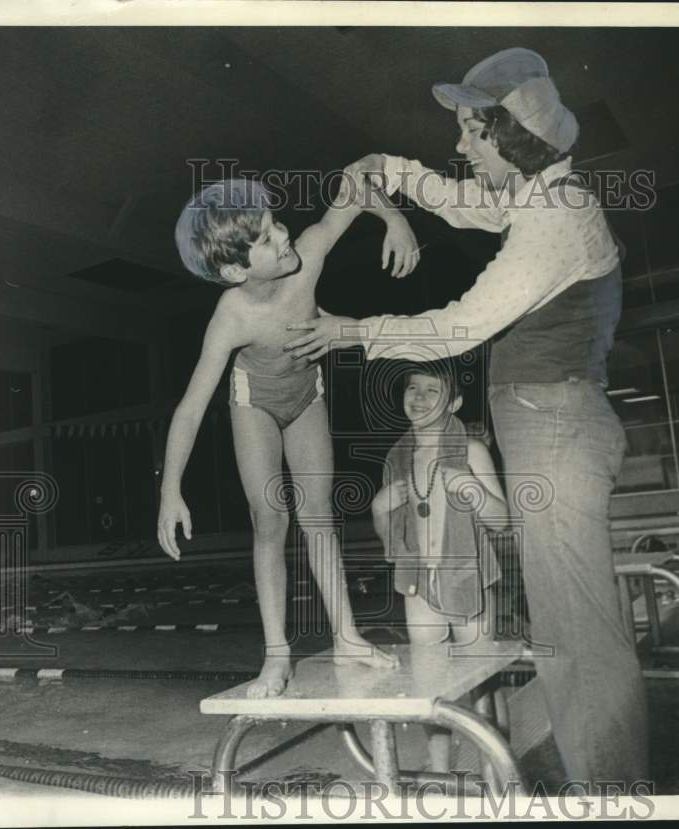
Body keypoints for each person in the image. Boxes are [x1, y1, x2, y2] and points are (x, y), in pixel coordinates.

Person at [285, 47, 649, 785]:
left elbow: (459, 327)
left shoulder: (556, 217)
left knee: (577, 634)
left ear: (505, 136)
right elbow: (461, 202)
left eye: (468, 133)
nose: (458, 147)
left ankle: (612, 795)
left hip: (558, 429)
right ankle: (602, 780)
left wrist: (351, 330)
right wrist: (388, 169)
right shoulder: (538, 196)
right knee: (565, 627)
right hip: (553, 425)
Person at [158, 172, 415, 697]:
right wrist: (169, 491)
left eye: (277, 223)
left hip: (306, 395)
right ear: (234, 269)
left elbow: (354, 187)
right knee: (270, 518)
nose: (285, 236)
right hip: (255, 402)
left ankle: (347, 636)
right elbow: (190, 408)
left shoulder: (308, 258)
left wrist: (394, 218)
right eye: (269, 239)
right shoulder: (231, 316)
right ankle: (276, 656)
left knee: (319, 515)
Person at [372, 360, 507, 772]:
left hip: (469, 575)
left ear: (455, 402)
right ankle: (439, 771)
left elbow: (501, 521)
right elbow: (390, 540)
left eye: (433, 391)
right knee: (432, 684)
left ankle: (496, 767)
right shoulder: (397, 458)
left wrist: (477, 495)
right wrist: (379, 509)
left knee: (483, 678)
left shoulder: (472, 451)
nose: (420, 398)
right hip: (420, 584)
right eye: (413, 389)